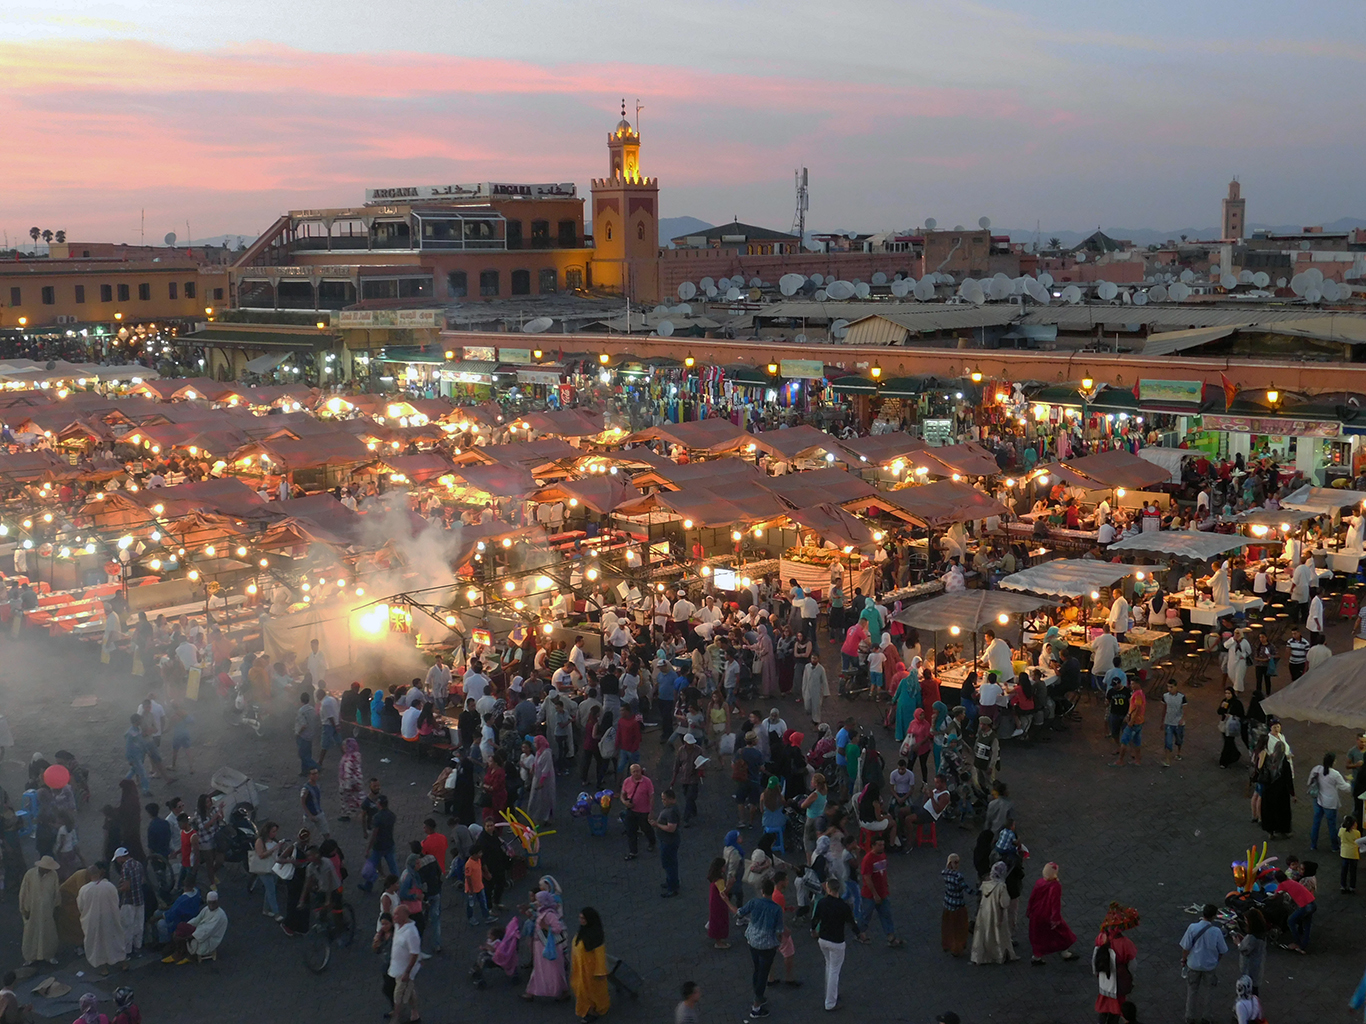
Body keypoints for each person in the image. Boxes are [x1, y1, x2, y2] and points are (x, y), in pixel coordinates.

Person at [811, 877, 866, 1011]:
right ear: (838, 889)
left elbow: (815, 919)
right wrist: (860, 934)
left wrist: (813, 930)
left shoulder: (822, 903)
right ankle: (830, 1002)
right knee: (834, 971)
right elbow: (851, 923)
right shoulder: (843, 906)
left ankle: (831, 994)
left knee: (829, 965)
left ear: (828, 889)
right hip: (837, 942)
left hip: (823, 940)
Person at [737, 878, 785, 1019]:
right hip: (767, 945)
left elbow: (740, 912)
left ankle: (757, 995)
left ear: (762, 891)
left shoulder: (754, 902)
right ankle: (756, 1006)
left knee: (757, 969)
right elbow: (779, 930)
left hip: (752, 941)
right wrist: (778, 942)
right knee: (764, 973)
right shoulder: (776, 909)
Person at [1180, 903, 1228, 1021]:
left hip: (1193, 965)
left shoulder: (1192, 928)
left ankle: (1189, 1017)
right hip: (1209, 967)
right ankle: (1206, 1017)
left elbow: (1185, 947)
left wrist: (1184, 960)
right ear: (1214, 916)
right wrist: (1216, 961)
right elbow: (1222, 950)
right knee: (1209, 992)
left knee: (1192, 991)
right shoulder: (1216, 931)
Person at [77, 861, 126, 976]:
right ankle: (123, 963)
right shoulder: (109, 886)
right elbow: (116, 901)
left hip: (92, 921)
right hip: (110, 918)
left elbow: (81, 906)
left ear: (89, 876)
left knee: (97, 943)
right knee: (115, 940)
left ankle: (104, 969)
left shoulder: (84, 890)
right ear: (99, 873)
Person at [1094, 902, 1139, 1024]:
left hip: (1104, 979)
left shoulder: (1100, 938)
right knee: (1117, 1008)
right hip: (1118, 980)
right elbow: (1132, 965)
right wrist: (1131, 978)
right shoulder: (1126, 944)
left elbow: (1095, 958)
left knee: (1103, 1008)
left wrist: (1098, 974)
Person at [1025, 862, 1078, 965]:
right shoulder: (1055, 885)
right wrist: (1056, 918)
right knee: (1063, 934)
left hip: (1036, 913)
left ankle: (1037, 957)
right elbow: (1054, 903)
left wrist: (1029, 910)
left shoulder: (1039, 882)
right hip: (1047, 914)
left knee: (1038, 936)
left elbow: (1032, 898)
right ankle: (1065, 952)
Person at [524, 890, 569, 1002]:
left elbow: (558, 929)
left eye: (538, 900)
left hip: (547, 946)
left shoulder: (549, 914)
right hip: (542, 945)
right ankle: (531, 991)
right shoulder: (542, 911)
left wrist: (546, 928)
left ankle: (562, 991)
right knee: (539, 968)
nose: (536, 902)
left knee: (554, 969)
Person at [162, 890, 227, 964]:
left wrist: (190, 936)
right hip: (201, 931)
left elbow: (207, 931)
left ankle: (184, 954)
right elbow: (197, 919)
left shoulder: (220, 915)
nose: (211, 905)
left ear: (217, 902)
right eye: (210, 903)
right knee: (181, 927)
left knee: (183, 937)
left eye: (213, 903)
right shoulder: (206, 909)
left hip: (209, 938)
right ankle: (179, 952)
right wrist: (187, 926)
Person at [18, 855, 61, 966]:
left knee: (48, 934)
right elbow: (23, 893)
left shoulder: (53, 875)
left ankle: (49, 955)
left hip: (47, 911)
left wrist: (56, 907)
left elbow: (56, 893)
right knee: (30, 934)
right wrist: (24, 909)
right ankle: (30, 957)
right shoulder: (30, 874)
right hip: (32, 910)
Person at [971, 861, 1016, 964]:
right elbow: (1004, 903)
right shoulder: (1001, 886)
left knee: (984, 933)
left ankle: (982, 956)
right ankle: (999, 955)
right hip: (996, 913)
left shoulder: (985, 883)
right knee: (998, 935)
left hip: (984, 911)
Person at [571, 907, 610, 1024]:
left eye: (583, 918)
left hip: (591, 970)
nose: (580, 920)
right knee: (581, 989)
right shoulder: (583, 931)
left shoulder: (596, 935)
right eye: (580, 917)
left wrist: (600, 971)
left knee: (590, 992)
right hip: (581, 968)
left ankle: (593, 1011)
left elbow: (600, 955)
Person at [387, 904, 422, 1024]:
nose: (394, 916)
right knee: (409, 991)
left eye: (397, 914)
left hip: (405, 971)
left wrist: (407, 972)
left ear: (405, 916)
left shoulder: (411, 933)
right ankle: (415, 1013)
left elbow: (414, 953)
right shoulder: (398, 925)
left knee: (398, 995)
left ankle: (396, 1018)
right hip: (397, 969)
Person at [1308, 751, 1347, 852]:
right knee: (1332, 825)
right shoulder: (1335, 774)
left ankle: (1313, 845)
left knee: (1316, 823)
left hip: (1318, 800)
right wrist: (1352, 784)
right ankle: (1334, 846)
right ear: (1333, 762)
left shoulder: (1317, 769)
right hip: (1330, 803)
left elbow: (1309, 781)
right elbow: (1345, 787)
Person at [651, 787, 682, 897]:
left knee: (669, 864)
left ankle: (672, 888)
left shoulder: (671, 811)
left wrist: (657, 824)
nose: (663, 801)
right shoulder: (670, 808)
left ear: (671, 799)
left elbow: (671, 828)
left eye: (664, 799)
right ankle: (672, 881)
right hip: (666, 840)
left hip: (669, 842)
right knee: (671, 863)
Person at [706, 857, 736, 949]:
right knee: (720, 921)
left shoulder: (714, 877)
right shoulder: (720, 880)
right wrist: (730, 884)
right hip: (719, 903)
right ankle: (719, 942)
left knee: (716, 919)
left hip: (714, 901)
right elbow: (723, 893)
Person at [1238, 908, 1267, 996]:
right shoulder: (1261, 934)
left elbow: (1244, 950)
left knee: (1248, 990)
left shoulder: (1252, 937)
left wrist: (1238, 943)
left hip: (1250, 967)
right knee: (1254, 989)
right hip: (1258, 964)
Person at [338, 738, 363, 822]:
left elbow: (347, 773)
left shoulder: (348, 759)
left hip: (347, 783)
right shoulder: (356, 755)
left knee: (346, 798)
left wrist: (347, 785)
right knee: (358, 796)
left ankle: (346, 814)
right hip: (358, 780)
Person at [1216, 687, 1243, 769]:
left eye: (1229, 693)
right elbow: (1219, 712)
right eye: (1226, 693)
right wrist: (1222, 707)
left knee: (1228, 742)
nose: (1227, 695)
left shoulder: (1237, 703)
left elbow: (1241, 714)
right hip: (1225, 724)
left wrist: (1232, 715)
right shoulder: (1225, 701)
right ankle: (1235, 754)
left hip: (1232, 725)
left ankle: (1224, 760)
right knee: (1229, 742)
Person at [800, 652, 828, 725]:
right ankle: (811, 715)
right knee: (807, 705)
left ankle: (816, 721)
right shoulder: (807, 667)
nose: (813, 660)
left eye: (815, 658)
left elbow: (824, 681)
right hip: (808, 689)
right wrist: (803, 688)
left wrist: (825, 692)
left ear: (818, 659)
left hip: (817, 690)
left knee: (816, 707)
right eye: (812, 658)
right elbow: (805, 678)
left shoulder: (821, 669)